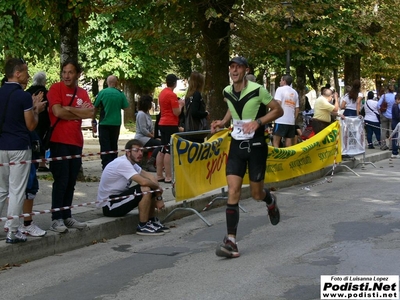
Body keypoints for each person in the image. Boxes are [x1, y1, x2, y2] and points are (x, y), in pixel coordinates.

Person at [211, 56, 283, 258]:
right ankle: (231, 241)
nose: (234, 71)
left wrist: (258, 122)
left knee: (256, 194)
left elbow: (278, 110)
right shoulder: (226, 91)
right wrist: (223, 122)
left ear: (245, 70)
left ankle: (269, 200)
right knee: (233, 190)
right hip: (236, 145)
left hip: (257, 145)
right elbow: (232, 106)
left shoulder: (258, 89)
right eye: (231, 67)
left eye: (238, 67)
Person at [0, 58, 46, 243]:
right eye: (25, 72)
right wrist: (36, 110)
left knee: (1, 189)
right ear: (17, 73)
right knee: (17, 190)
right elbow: (30, 125)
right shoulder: (23, 96)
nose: (28, 75)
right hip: (19, 146)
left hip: (2, 145)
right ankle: (12, 231)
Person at [47, 59, 94, 233]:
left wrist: (68, 108)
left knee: (71, 181)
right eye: (64, 72)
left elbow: (90, 112)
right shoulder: (55, 88)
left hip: (76, 142)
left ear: (77, 74)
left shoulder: (82, 92)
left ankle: (67, 215)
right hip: (59, 141)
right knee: (61, 180)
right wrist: (75, 111)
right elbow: (57, 112)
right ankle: (56, 218)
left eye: (70, 72)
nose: (66, 76)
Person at [97, 139, 169, 235]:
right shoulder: (122, 163)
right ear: (128, 152)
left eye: (141, 151)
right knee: (145, 189)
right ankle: (142, 226)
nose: (140, 153)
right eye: (136, 150)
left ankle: (150, 221)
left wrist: (157, 192)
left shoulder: (132, 163)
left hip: (119, 199)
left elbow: (150, 176)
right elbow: (143, 181)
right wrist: (158, 193)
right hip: (109, 205)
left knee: (150, 187)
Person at [93, 75, 129, 169]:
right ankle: (113, 164)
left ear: (107, 82)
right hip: (116, 123)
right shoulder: (120, 94)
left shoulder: (102, 93)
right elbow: (126, 107)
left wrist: (93, 119)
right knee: (114, 144)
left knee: (105, 145)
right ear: (116, 83)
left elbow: (95, 107)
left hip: (104, 122)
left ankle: (105, 165)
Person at [158, 74, 184, 183]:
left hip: (162, 122)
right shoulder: (172, 95)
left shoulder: (162, 93)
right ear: (175, 83)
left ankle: (159, 174)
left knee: (162, 149)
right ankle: (168, 176)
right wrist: (181, 104)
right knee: (169, 149)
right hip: (170, 123)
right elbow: (176, 112)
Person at [135, 95, 164, 179]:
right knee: (159, 144)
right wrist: (153, 137)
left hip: (148, 137)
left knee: (161, 142)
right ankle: (150, 162)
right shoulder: (141, 114)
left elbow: (151, 128)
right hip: (141, 137)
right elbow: (143, 130)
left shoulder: (147, 114)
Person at [26, 71, 51, 172]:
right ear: (44, 81)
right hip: (43, 121)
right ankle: (42, 163)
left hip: (29, 119)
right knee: (42, 141)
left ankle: (32, 161)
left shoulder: (27, 92)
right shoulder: (46, 93)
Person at [272, 74, 299, 148]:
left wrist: (273, 115)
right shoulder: (295, 93)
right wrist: (294, 119)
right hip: (291, 121)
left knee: (276, 141)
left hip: (280, 120)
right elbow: (297, 108)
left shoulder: (280, 89)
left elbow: (278, 103)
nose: (280, 81)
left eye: (281, 80)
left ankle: (277, 158)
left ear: (284, 81)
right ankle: (288, 158)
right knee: (288, 143)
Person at [183, 71, 210, 143]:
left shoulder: (188, 95)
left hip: (188, 128)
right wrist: (205, 114)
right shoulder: (197, 95)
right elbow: (194, 112)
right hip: (196, 130)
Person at [377, 85, 395, 150]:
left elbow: (378, 105)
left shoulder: (384, 96)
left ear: (387, 89)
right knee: (391, 131)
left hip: (384, 115)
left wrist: (381, 113)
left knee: (383, 131)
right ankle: (391, 146)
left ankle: (383, 145)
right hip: (392, 116)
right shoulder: (395, 97)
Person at [389, 93, 400, 158]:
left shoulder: (395, 106)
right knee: (395, 138)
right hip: (395, 123)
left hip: (395, 122)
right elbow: (397, 116)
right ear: (397, 99)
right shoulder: (395, 106)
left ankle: (395, 151)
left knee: (396, 137)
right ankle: (394, 152)